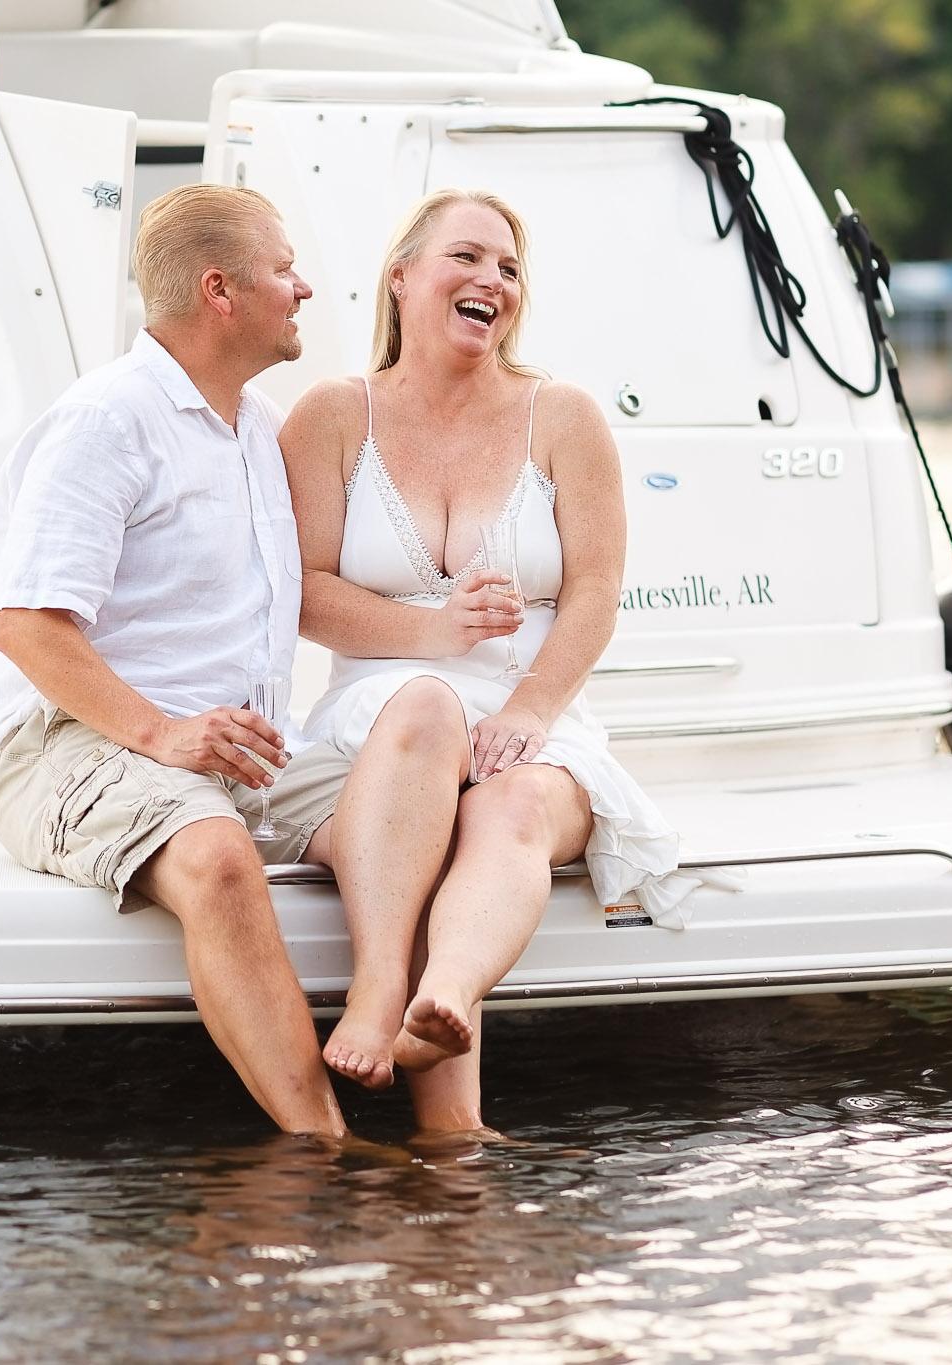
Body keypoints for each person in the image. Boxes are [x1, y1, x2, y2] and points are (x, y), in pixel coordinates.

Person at [279, 189, 707, 1130]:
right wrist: (436, 631)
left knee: (510, 804)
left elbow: (596, 591)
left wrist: (531, 709)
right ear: (401, 279)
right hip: (381, 717)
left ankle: (449, 999)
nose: (493, 281)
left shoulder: (562, 417)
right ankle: (385, 990)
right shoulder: (329, 417)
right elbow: (301, 591)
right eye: (467, 258)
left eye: (510, 269)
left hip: (530, 713)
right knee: (427, 711)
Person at [0, 184, 352, 1138]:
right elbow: (24, 624)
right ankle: (326, 1149)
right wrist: (163, 733)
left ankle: (407, 1062)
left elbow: (306, 597)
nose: (302, 288)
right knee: (218, 855)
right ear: (221, 291)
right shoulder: (109, 419)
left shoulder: (259, 429)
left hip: (227, 742)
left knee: (408, 807)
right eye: (283, 270)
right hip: (71, 741)